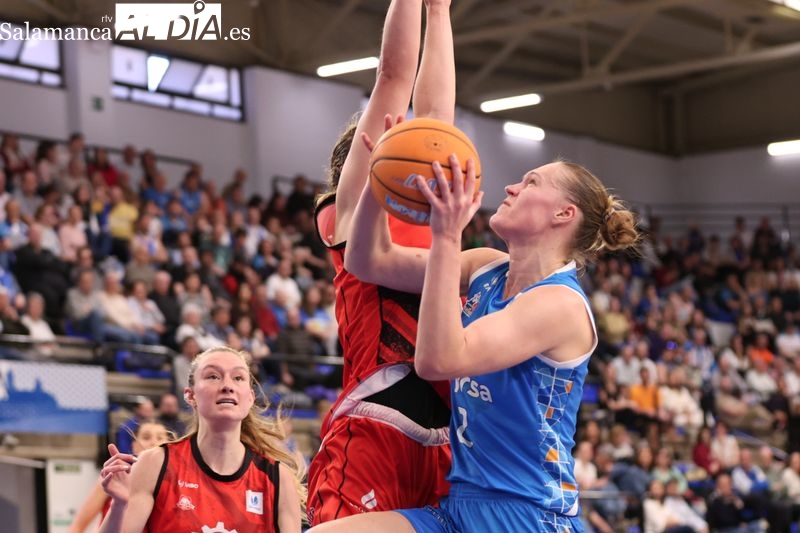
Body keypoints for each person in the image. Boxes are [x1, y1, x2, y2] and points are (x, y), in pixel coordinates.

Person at [309, 124, 638, 529]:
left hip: (526, 515)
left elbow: (440, 360)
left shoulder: (561, 304)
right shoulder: (485, 265)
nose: (512, 187)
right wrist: (377, 183)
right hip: (458, 506)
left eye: (530, 182)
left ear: (563, 214)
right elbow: (367, 261)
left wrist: (446, 235)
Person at [307, 0, 455, 525]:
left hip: (446, 433)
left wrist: (439, 12)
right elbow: (393, 76)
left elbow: (437, 118)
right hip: (376, 416)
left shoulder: (438, 216)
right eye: (396, 145)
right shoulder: (348, 214)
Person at [97, 346, 304, 532]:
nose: (227, 385)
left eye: (238, 378)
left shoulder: (278, 478)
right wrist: (119, 506)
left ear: (250, 397)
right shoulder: (155, 464)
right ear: (190, 395)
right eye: (213, 376)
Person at [67, 420, 171, 533]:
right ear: (134, 446)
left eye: (160, 438)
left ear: (170, 446)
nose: (153, 442)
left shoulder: (175, 486)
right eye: (146, 437)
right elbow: (77, 527)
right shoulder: (114, 477)